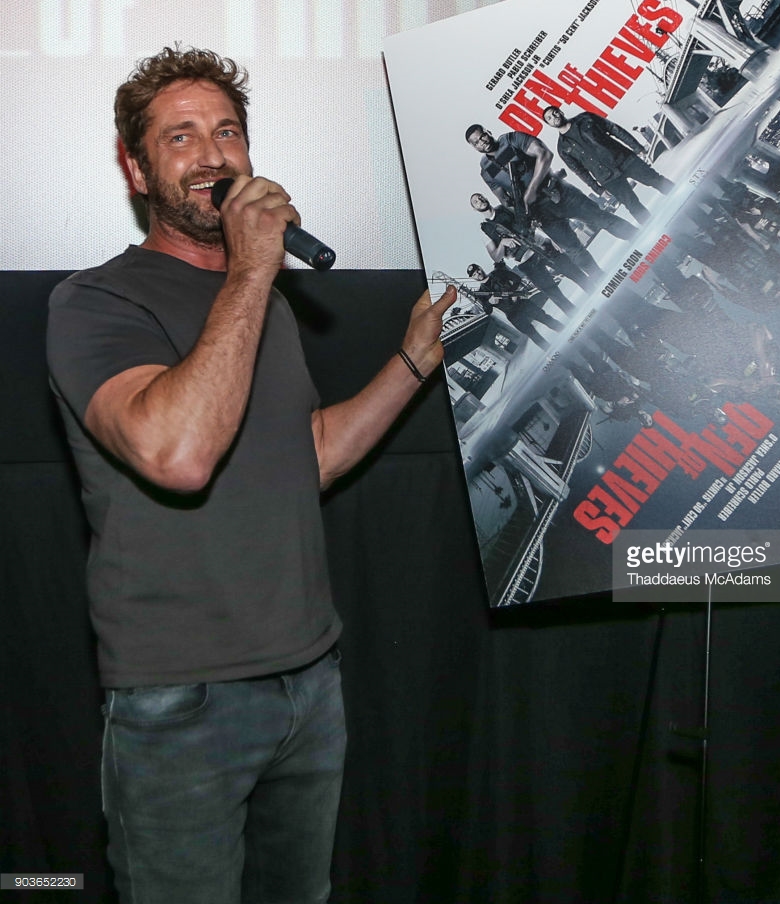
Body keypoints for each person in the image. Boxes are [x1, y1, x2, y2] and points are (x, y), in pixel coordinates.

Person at [46, 46, 456, 904]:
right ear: (136, 168)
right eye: (181, 137)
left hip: (309, 680)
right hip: (181, 701)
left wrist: (413, 361)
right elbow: (179, 454)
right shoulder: (97, 301)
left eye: (227, 132)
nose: (212, 155)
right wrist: (255, 269)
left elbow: (307, 455)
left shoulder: (260, 303)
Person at [465, 123, 635, 279]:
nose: (482, 142)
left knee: (603, 219)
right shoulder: (486, 171)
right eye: (476, 142)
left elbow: (544, 154)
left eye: (482, 136)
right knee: (574, 251)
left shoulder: (511, 139)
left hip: (560, 193)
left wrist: (531, 189)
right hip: (541, 214)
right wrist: (525, 216)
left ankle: (640, 239)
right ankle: (602, 280)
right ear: (474, 147)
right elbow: (504, 200)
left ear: (488, 132)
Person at [542, 106, 673, 223]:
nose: (554, 117)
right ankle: (658, 230)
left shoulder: (586, 118)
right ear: (549, 124)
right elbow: (580, 171)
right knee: (632, 205)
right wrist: (598, 189)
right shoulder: (562, 148)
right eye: (549, 118)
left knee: (656, 180)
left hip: (624, 159)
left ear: (560, 112)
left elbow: (614, 129)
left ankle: (684, 201)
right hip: (607, 178)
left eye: (554, 113)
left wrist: (637, 147)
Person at [466, 262, 564, 350]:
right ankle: (551, 352)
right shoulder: (481, 293)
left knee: (545, 318)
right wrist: (490, 302)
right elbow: (487, 310)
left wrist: (513, 293)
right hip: (512, 315)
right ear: (472, 278)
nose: (478, 274)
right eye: (474, 274)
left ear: (480, 268)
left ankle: (566, 332)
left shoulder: (497, 273)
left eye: (477, 270)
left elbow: (516, 278)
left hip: (522, 303)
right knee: (532, 334)